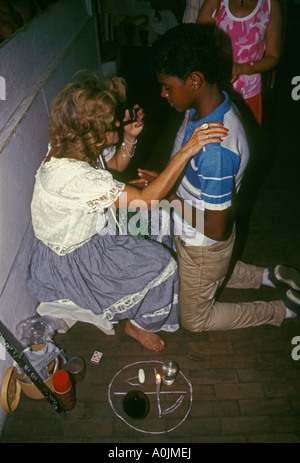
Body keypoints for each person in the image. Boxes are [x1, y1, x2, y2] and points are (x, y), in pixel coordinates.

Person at [26, 75, 227, 351]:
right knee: (162, 264)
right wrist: (186, 151)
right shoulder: (73, 174)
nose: (120, 124)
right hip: (75, 260)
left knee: (160, 219)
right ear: (93, 133)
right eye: (114, 125)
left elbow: (117, 163)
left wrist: (129, 138)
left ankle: (142, 300)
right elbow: (145, 199)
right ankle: (139, 325)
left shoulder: (71, 144)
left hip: (90, 229)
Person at [135, 23, 300, 333]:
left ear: (194, 80)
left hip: (205, 241)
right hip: (202, 236)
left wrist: (169, 198)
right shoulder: (207, 106)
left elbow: (217, 228)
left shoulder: (216, 151)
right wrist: (168, 179)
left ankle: (282, 310)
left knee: (195, 319)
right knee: (207, 271)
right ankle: (270, 276)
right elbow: (190, 160)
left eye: (167, 86)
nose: (163, 93)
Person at [197, 0, 283, 125]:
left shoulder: (270, 4)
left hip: (248, 95)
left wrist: (241, 68)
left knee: (244, 141)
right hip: (212, 92)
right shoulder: (215, 1)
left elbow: (273, 57)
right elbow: (196, 42)